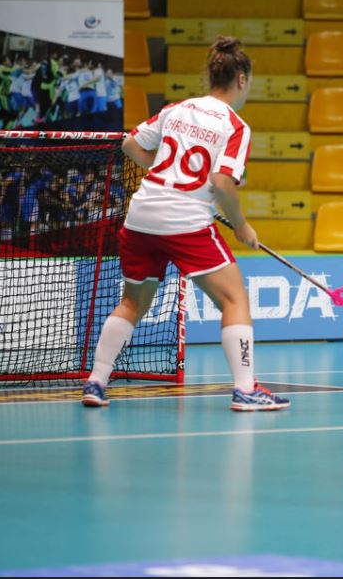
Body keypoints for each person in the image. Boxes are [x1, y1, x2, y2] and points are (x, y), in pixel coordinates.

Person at [82, 36, 289, 411]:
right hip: (185, 223)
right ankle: (246, 390)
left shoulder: (176, 109)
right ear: (242, 79)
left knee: (131, 302)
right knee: (234, 299)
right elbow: (222, 183)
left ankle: (96, 382)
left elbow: (130, 144)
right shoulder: (235, 126)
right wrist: (242, 226)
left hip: (141, 217)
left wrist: (164, 175)